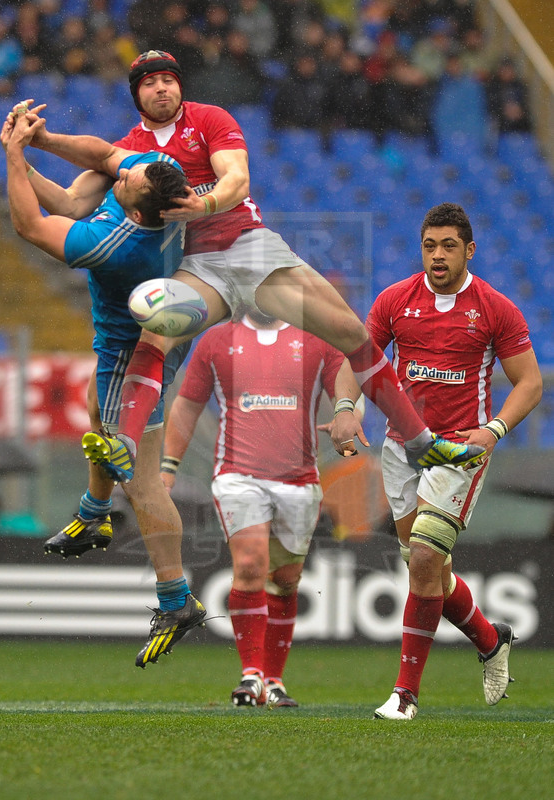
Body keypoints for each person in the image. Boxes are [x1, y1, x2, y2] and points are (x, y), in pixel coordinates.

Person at [47, 49, 485, 488]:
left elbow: (237, 179)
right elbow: (70, 199)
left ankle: (420, 442)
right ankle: (124, 442)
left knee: (351, 333)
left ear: (180, 85)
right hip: (194, 264)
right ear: (136, 95)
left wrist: (206, 203)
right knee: (154, 336)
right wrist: (24, 153)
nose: (161, 87)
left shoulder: (209, 120)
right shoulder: (129, 151)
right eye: (148, 82)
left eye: (168, 79)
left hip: (248, 247)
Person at [0, 106, 206, 667]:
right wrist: (42, 141)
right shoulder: (157, 176)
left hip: (130, 352)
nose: (126, 169)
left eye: (131, 178)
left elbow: (30, 225)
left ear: (138, 206)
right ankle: (94, 512)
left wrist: (16, 156)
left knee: (143, 482)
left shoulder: (116, 245)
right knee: (95, 406)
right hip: (161, 323)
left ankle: (175, 598)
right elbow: (101, 154)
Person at [367, 203, 542, 720]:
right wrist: (347, 407)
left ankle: (404, 694)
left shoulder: (494, 308)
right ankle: (491, 640)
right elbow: (358, 361)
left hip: (460, 453)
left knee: (423, 560)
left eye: (448, 246)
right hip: (402, 447)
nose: (437, 256)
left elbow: (530, 383)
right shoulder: (394, 301)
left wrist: (494, 430)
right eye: (429, 245)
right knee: (431, 572)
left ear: (469, 250)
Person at [160, 307, 365, 707]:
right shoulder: (218, 341)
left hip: (300, 479)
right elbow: (187, 405)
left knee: (285, 579)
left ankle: (274, 680)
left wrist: (347, 415)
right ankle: (251, 675)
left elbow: (347, 386)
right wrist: (168, 467)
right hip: (238, 474)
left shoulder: (316, 338)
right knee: (251, 564)